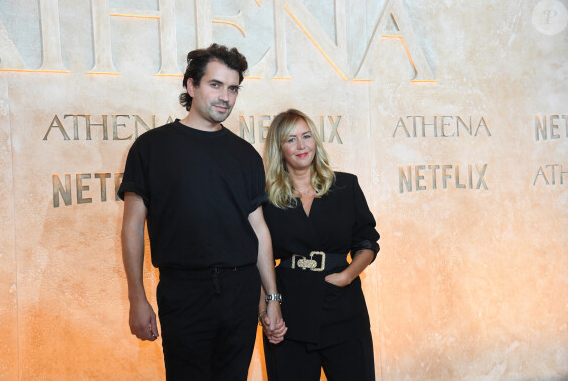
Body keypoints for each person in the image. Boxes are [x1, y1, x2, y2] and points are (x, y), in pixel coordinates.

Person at [118, 44, 283, 381]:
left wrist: (272, 296)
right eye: (215, 84)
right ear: (191, 86)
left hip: (241, 290)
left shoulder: (246, 155)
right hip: (184, 291)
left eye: (233, 88)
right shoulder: (150, 148)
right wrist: (137, 298)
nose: (226, 96)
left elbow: (259, 230)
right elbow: (132, 227)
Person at [258, 109, 379, 380]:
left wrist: (348, 275)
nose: (301, 146)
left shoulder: (346, 186)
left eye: (306, 136)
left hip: (343, 309)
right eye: (291, 140)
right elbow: (257, 258)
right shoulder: (265, 198)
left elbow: (367, 240)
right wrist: (265, 309)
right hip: (288, 313)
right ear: (279, 148)